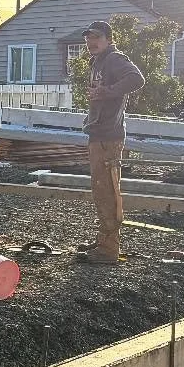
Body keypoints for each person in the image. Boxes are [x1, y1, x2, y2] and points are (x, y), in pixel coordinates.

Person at [81, 20, 145, 265]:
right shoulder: (98, 62)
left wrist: (107, 91)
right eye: (88, 38)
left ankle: (108, 250)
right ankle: (104, 239)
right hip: (99, 134)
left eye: (96, 37)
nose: (91, 42)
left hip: (109, 136)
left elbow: (136, 79)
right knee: (100, 190)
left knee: (108, 191)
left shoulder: (114, 59)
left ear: (108, 39)